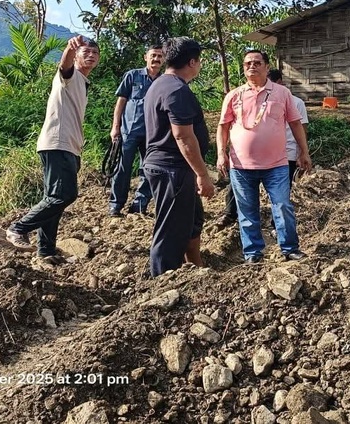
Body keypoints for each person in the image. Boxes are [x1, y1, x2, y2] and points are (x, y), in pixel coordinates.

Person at [6, 36, 100, 263]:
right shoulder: (70, 76)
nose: (91, 56)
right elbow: (64, 66)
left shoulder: (82, 82)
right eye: (85, 52)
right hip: (58, 143)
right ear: (77, 56)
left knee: (53, 199)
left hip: (69, 146)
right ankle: (19, 228)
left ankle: (46, 251)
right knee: (64, 195)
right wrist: (69, 48)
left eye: (95, 53)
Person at [217, 51, 311, 263]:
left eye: (257, 63)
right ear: (243, 68)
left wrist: (304, 152)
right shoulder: (234, 95)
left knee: (282, 205)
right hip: (241, 166)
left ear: (267, 67)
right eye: (248, 63)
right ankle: (252, 253)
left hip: (276, 164)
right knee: (247, 210)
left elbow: (296, 123)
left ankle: (289, 248)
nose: (252, 66)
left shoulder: (282, 93)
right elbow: (222, 127)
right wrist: (221, 154)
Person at [143, 37, 215, 277]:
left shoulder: (161, 84)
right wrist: (203, 174)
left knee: (192, 223)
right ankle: (161, 284)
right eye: (200, 61)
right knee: (170, 233)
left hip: (175, 169)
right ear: (192, 62)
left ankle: (195, 269)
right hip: (171, 170)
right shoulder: (176, 90)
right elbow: (183, 137)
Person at [221, 68, 308, 228]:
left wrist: (302, 152)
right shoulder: (244, 97)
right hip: (247, 160)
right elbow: (228, 126)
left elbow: (300, 126)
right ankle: (230, 215)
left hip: (283, 155)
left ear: (279, 83)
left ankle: (277, 227)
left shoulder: (294, 101)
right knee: (240, 194)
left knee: (281, 197)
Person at [108, 45, 165, 216]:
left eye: (160, 56)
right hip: (129, 131)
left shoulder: (164, 81)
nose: (156, 59)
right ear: (145, 57)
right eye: (153, 55)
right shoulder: (132, 76)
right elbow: (121, 101)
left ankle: (139, 205)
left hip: (153, 134)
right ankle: (115, 205)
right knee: (122, 169)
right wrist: (115, 127)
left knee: (149, 169)